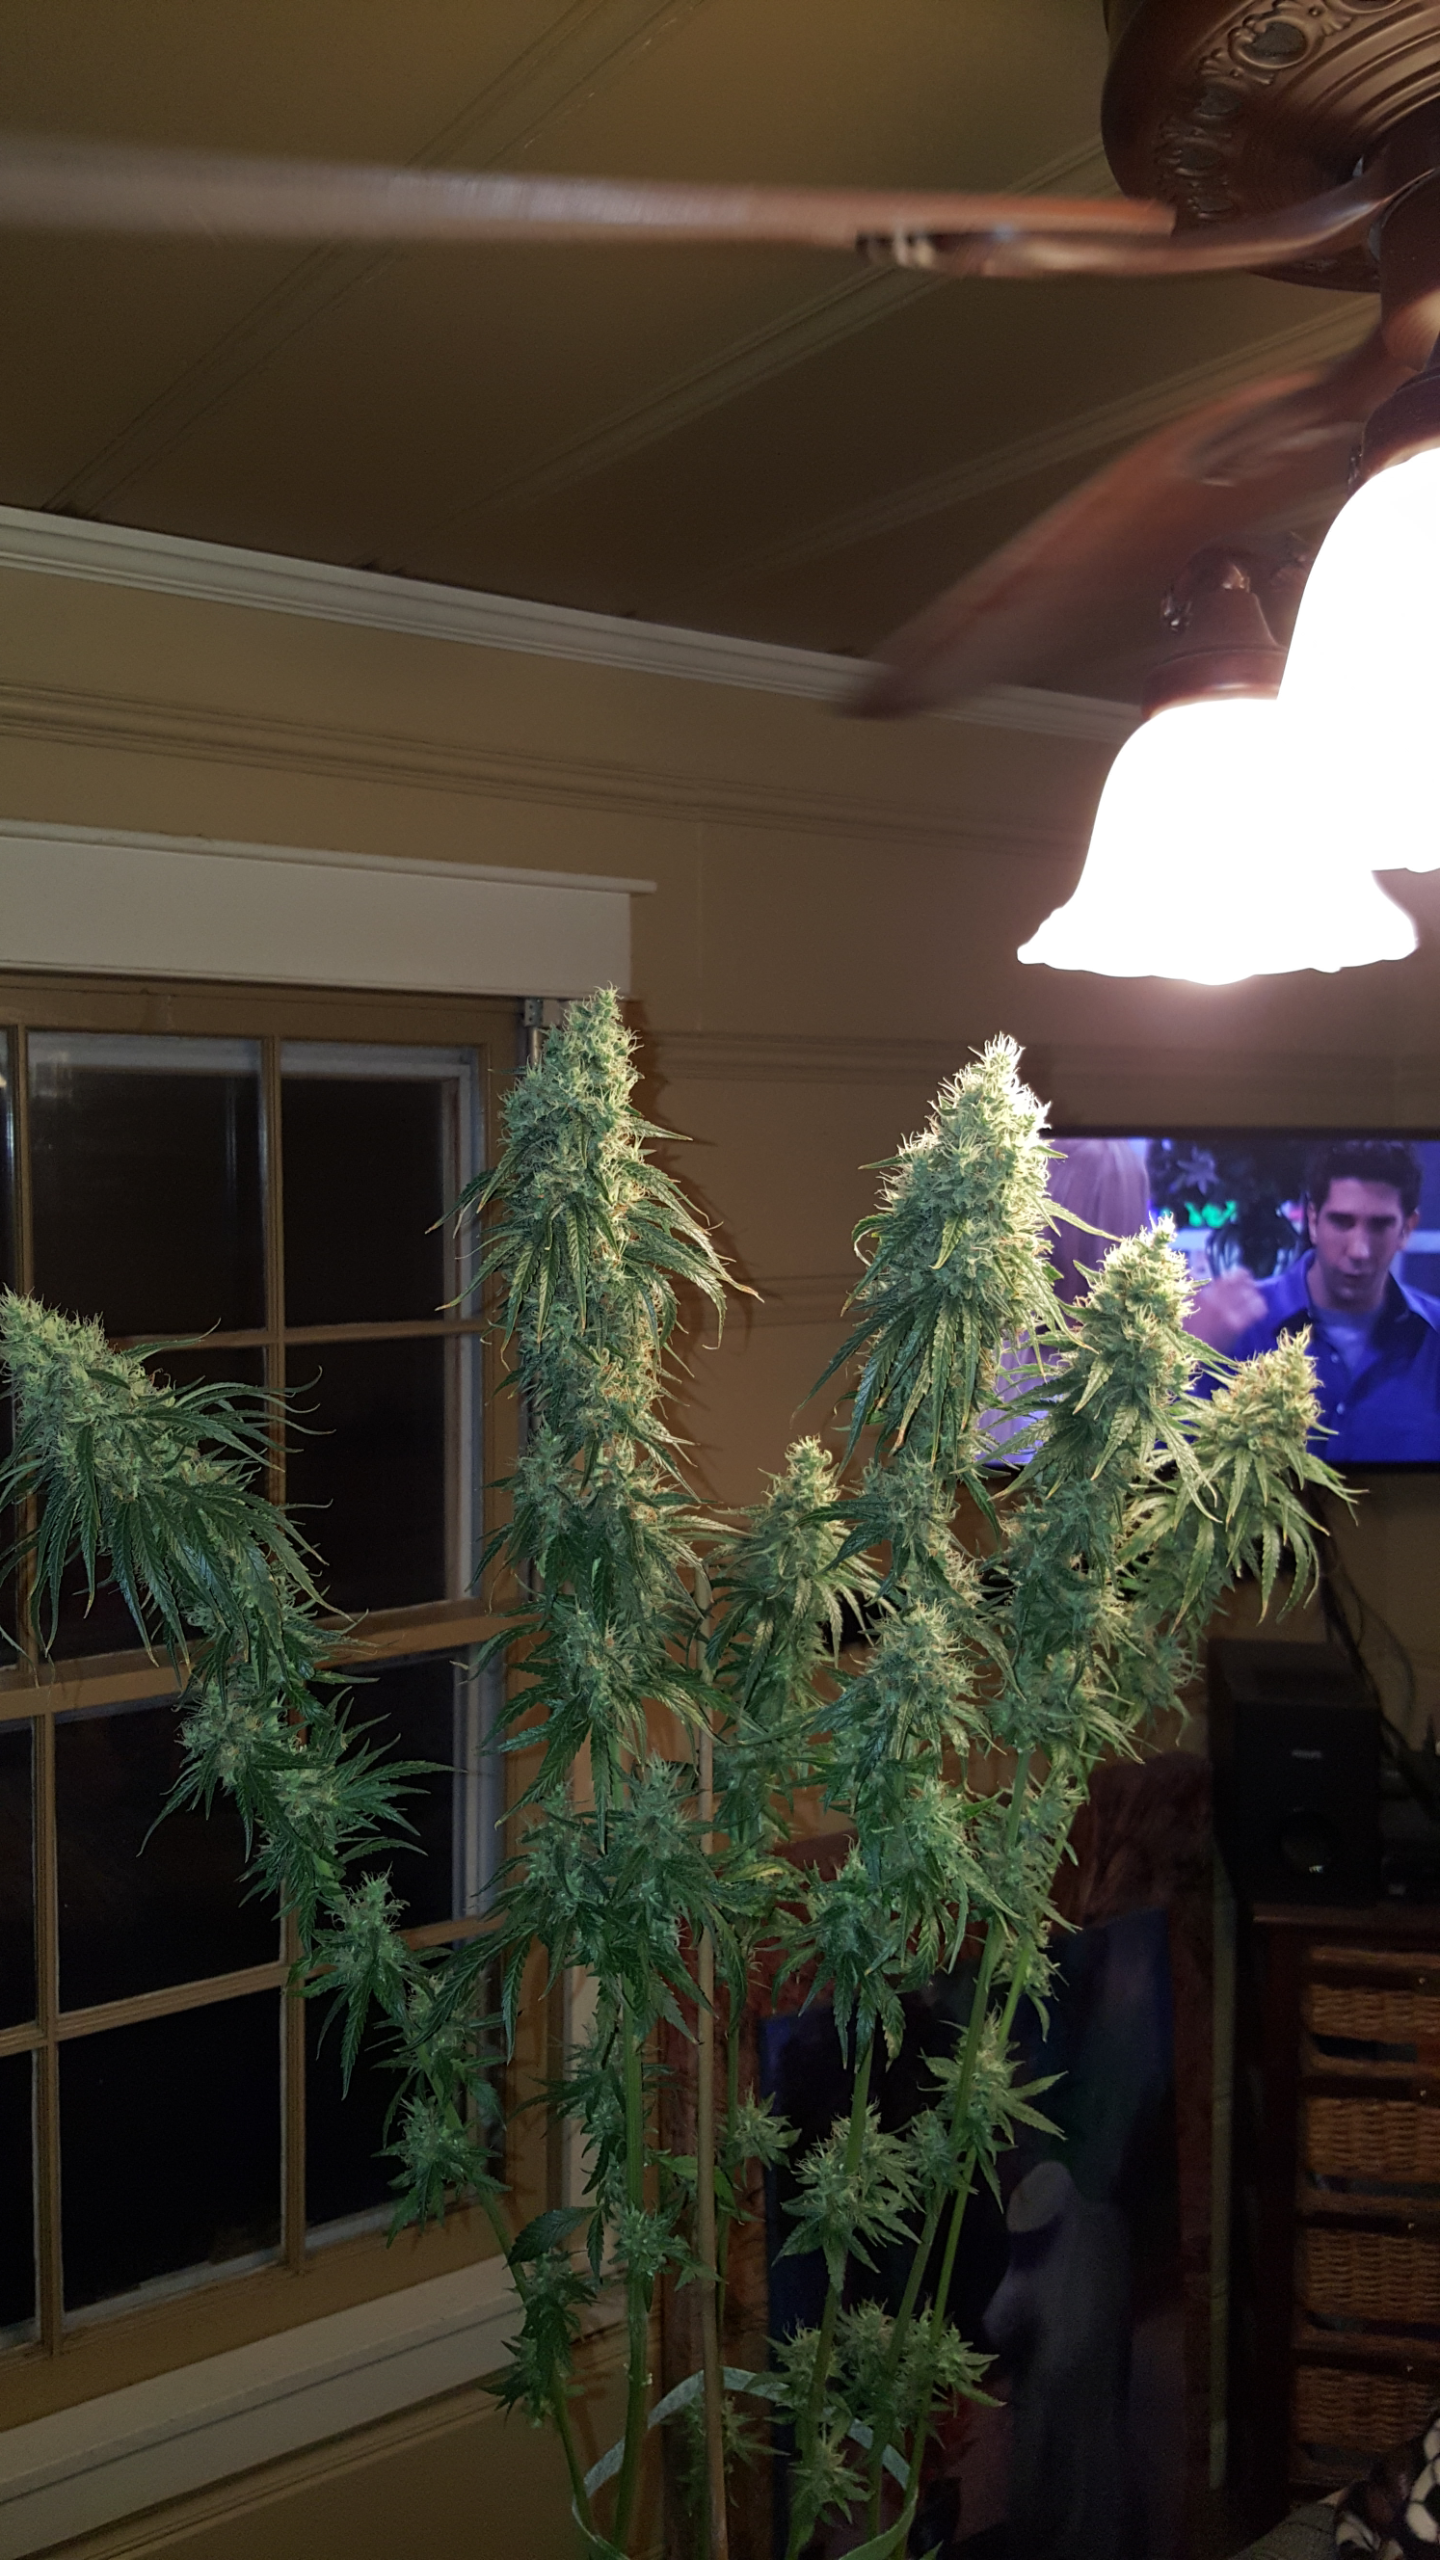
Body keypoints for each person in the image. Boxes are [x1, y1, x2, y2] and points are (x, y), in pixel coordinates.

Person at [1186, 1138, 1440, 1464]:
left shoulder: (1432, 1338)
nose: (1359, 1250)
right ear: (1313, 1220)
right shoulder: (1235, 1328)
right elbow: (1162, 1470)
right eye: (1342, 1222)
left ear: (1406, 1229)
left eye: (1379, 1225)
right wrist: (1190, 1357)